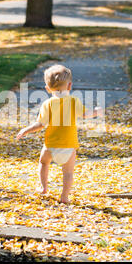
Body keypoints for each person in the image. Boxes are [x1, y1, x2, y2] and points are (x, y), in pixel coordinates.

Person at [16, 65, 103, 204]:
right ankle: (64, 196)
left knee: (43, 162)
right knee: (68, 173)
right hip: (69, 145)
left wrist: (26, 130)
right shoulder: (74, 101)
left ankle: (43, 187)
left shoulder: (47, 104)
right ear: (70, 86)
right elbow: (86, 115)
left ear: (47, 89)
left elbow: (40, 124)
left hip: (51, 145)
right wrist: (97, 111)